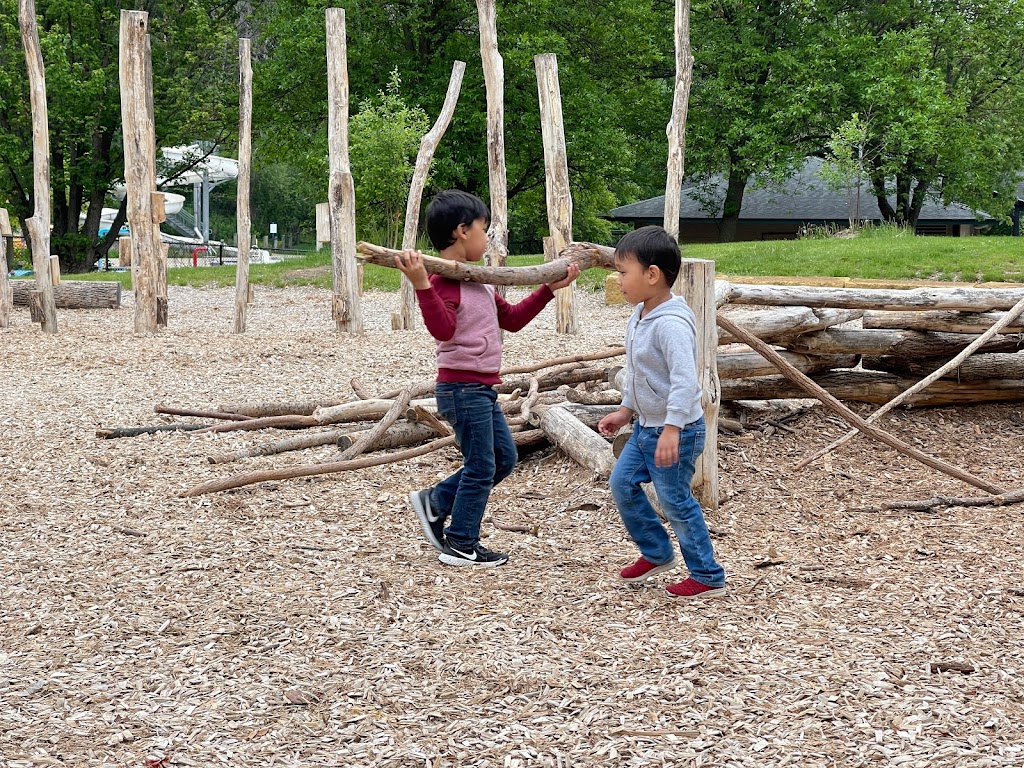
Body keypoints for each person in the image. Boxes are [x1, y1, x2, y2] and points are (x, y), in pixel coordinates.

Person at [395, 189, 580, 567]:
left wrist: (547, 289)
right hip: (461, 390)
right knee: (482, 465)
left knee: (503, 458)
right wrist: (420, 285)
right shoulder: (441, 282)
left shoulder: (477, 280)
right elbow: (443, 330)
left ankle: (437, 501)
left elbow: (511, 320)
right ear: (463, 231)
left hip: (480, 389)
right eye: (485, 229)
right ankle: (461, 542)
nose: (487, 237)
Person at [597, 226, 727, 599]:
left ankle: (707, 575)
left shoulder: (670, 323)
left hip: (676, 431)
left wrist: (671, 428)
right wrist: (625, 410)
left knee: (675, 502)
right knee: (622, 484)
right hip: (646, 427)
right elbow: (640, 374)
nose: (618, 279)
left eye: (623, 272)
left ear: (652, 275)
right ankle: (657, 553)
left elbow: (685, 382)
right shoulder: (641, 313)